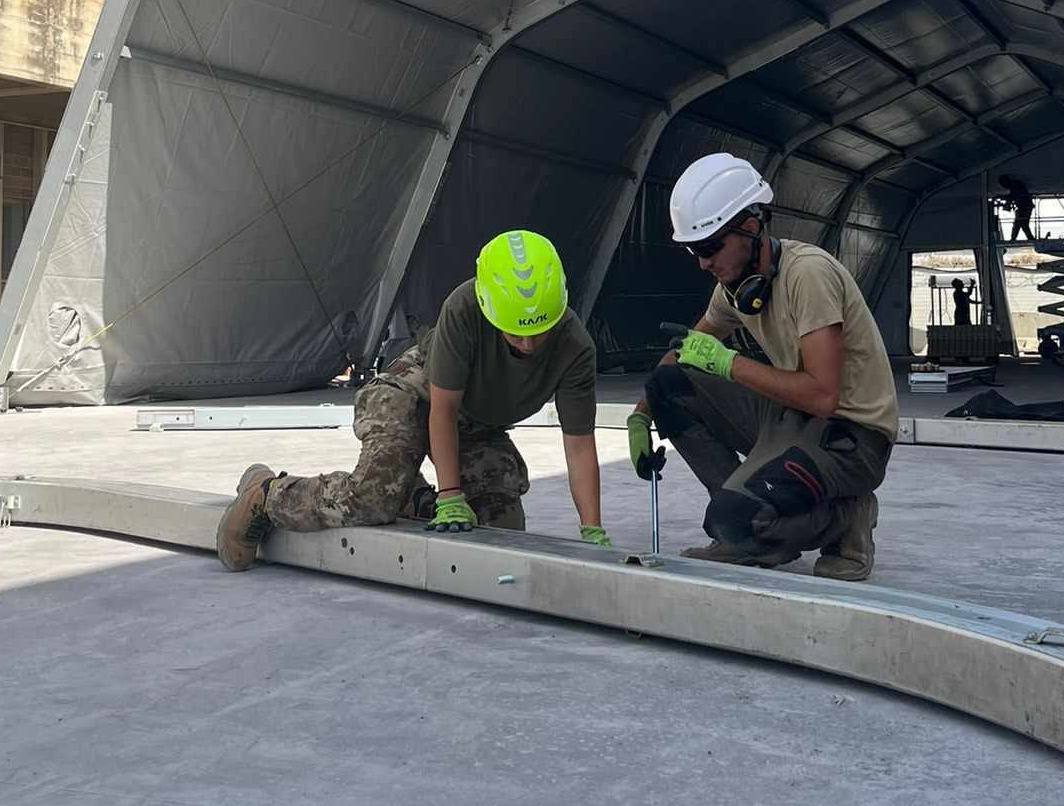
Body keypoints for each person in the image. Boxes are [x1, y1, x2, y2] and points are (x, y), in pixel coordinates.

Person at [215, 230, 612, 569]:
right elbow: (442, 410)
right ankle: (267, 496)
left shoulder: (575, 347)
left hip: (475, 422)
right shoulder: (466, 309)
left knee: (499, 528)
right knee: (373, 498)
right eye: (514, 332)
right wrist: (452, 496)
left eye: (538, 332)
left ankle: (414, 498)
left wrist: (591, 529)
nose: (527, 343)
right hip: (413, 394)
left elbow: (578, 445)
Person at [627, 153, 898, 583]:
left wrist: (731, 365)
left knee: (735, 520)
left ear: (750, 228)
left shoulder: (807, 275)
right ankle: (742, 524)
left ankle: (847, 516)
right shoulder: (734, 288)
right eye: (694, 250)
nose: (702, 262)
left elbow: (824, 396)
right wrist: (642, 414)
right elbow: (686, 351)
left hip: (851, 437)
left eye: (709, 247)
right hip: (794, 420)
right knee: (668, 385)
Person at [998, 174, 1035, 244]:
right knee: (1021, 223)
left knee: (1020, 223)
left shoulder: (1014, 185)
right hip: (1024, 207)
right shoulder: (1016, 184)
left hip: (1024, 207)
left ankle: (1019, 239)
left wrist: (1004, 198)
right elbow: (1014, 196)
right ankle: (1028, 238)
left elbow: (1013, 196)